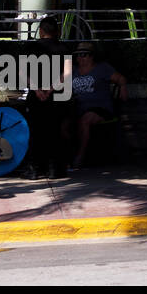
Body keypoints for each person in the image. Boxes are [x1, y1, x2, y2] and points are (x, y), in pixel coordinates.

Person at [64, 42, 126, 169]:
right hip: (78, 107)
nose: (80, 58)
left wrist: (123, 88)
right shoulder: (73, 70)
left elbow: (120, 79)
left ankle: (80, 157)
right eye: (78, 55)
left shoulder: (102, 68)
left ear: (92, 56)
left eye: (84, 55)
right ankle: (66, 156)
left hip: (100, 108)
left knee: (85, 120)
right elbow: (58, 81)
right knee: (63, 123)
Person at [23, 17, 68, 179]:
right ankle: (54, 169)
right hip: (57, 97)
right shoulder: (63, 48)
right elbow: (66, 74)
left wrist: (37, 90)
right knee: (54, 131)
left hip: (35, 98)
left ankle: (34, 169)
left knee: (35, 132)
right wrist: (49, 90)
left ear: (41, 31)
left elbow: (23, 73)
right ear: (56, 32)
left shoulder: (31, 47)